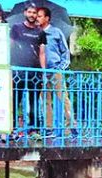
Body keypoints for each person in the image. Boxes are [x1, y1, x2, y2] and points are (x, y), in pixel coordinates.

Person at [37, 7, 75, 137]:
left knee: (62, 97)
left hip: (55, 69)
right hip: (41, 71)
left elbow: (65, 51)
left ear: (47, 18)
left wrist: (61, 67)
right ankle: (49, 128)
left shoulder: (56, 32)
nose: (37, 18)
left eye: (40, 16)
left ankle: (70, 126)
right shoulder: (36, 32)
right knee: (45, 100)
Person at [10, 2, 43, 132]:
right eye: (29, 12)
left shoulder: (40, 32)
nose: (32, 15)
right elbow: (10, 46)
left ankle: (34, 129)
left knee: (34, 101)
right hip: (18, 71)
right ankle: (12, 128)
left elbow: (42, 53)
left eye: (34, 13)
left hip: (34, 72)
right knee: (15, 99)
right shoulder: (16, 28)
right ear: (25, 13)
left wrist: (43, 71)